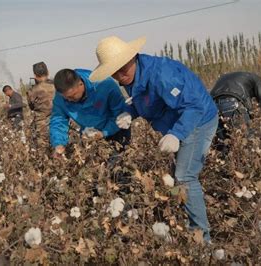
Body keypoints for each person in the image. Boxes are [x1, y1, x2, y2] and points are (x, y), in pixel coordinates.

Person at [90, 36, 218, 242]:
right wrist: (129, 112)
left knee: (185, 177)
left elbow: (194, 107)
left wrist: (176, 134)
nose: (121, 76)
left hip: (199, 121)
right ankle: (187, 215)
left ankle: (202, 238)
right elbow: (147, 102)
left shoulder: (162, 75)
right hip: (175, 124)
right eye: (115, 72)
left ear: (132, 57)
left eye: (123, 68)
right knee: (179, 174)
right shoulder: (135, 76)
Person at [50, 68, 131, 158]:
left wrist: (103, 133)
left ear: (80, 84)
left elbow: (120, 115)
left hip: (116, 132)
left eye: (72, 96)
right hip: (89, 135)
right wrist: (59, 144)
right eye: (66, 98)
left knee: (118, 163)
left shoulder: (104, 84)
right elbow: (58, 120)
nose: (69, 100)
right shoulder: (61, 96)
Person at [210, 72, 261, 149]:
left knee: (224, 144)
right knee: (247, 140)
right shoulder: (257, 79)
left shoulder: (225, 77)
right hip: (232, 103)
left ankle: (228, 158)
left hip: (213, 106)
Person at [27, 62, 56, 149]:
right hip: (60, 123)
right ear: (48, 72)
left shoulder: (32, 91)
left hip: (42, 126)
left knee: (44, 153)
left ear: (35, 76)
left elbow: (31, 106)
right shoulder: (57, 86)